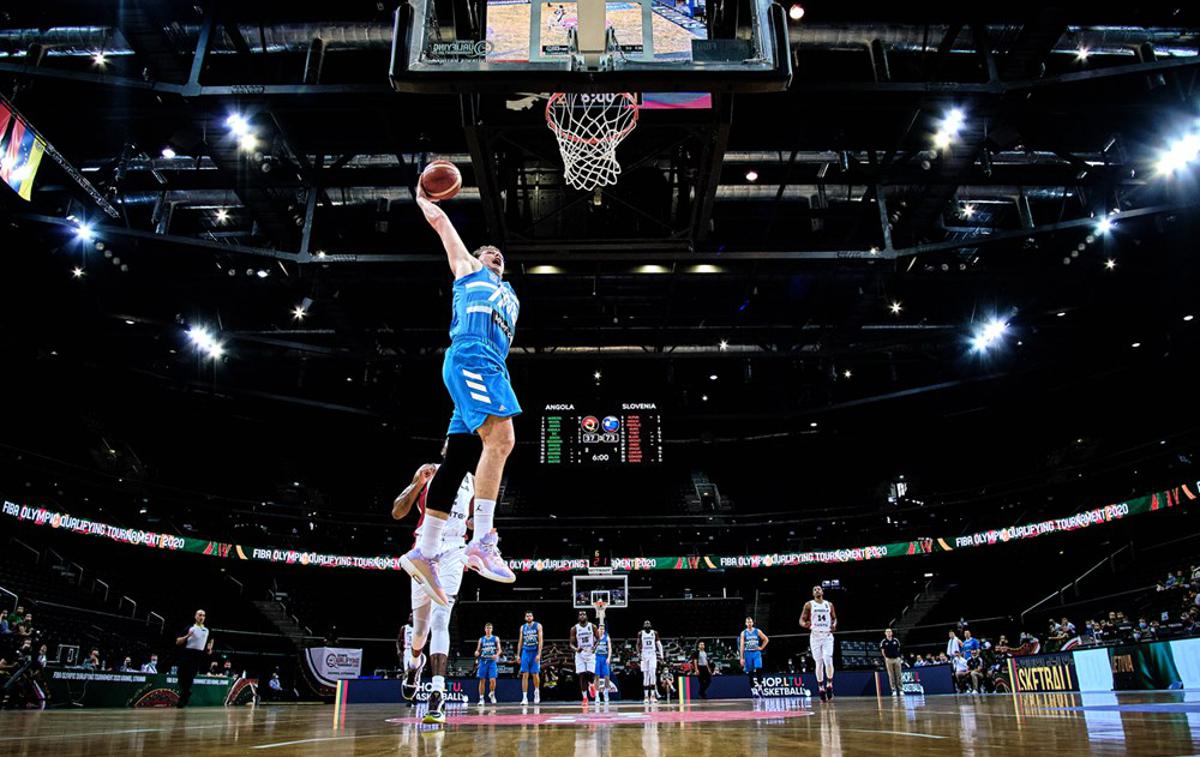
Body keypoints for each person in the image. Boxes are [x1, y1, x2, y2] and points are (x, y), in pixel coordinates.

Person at [401, 183, 520, 607]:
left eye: (499, 256)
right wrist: (425, 201)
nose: (496, 257)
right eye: (490, 253)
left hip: (486, 368)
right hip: (474, 359)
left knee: (457, 461)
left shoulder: (511, 298)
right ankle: (482, 541)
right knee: (502, 439)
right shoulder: (470, 270)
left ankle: (425, 550)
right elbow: (442, 225)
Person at [391, 455, 476, 725]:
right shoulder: (429, 470)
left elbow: (473, 521)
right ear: (445, 447)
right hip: (425, 546)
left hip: (453, 549)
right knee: (420, 630)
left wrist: (478, 526)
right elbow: (398, 511)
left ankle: (437, 691)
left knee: (442, 619)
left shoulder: (473, 480)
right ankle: (414, 664)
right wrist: (418, 484)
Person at [800, 585, 838, 702]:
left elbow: (834, 618)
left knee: (828, 659)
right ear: (813, 593)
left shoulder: (829, 604)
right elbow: (802, 619)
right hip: (815, 636)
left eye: (819, 589)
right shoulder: (809, 604)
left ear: (822, 591)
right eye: (815, 589)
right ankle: (821, 687)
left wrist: (834, 625)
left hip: (827, 635)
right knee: (819, 663)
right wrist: (804, 624)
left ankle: (830, 685)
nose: (817, 590)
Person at [174, 609, 213, 708]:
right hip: (187, 653)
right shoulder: (190, 628)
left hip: (198, 655)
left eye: (203, 615)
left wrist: (209, 648)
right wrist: (187, 636)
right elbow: (177, 642)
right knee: (180, 675)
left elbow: (210, 640)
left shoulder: (207, 630)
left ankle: (183, 699)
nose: (202, 617)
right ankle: (186, 692)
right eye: (200, 615)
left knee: (190, 677)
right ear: (195, 616)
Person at [570, 611, 598, 705]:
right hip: (580, 654)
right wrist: (576, 649)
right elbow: (571, 644)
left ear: (587, 616)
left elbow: (598, 639)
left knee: (590, 673)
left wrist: (595, 647)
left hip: (590, 652)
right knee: (582, 675)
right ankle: (585, 698)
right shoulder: (574, 628)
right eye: (580, 614)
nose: (582, 616)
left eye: (584, 614)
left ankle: (591, 684)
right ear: (578, 617)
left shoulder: (592, 626)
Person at [519, 611, 543, 704]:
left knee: (535, 674)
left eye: (530, 616)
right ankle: (524, 697)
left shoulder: (538, 626)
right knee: (525, 674)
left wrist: (539, 654)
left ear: (532, 617)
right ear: (525, 618)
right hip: (525, 651)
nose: (529, 617)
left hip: (534, 651)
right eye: (527, 616)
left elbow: (540, 640)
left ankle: (536, 692)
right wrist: (518, 654)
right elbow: (520, 641)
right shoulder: (522, 627)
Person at [739, 617, 769, 694]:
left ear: (752, 623)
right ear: (746, 623)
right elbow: (742, 646)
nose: (749, 624)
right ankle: (753, 688)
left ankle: (760, 686)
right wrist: (741, 658)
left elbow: (766, 639)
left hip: (756, 652)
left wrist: (761, 647)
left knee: (759, 668)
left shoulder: (757, 631)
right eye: (748, 622)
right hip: (748, 653)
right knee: (750, 672)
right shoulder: (743, 633)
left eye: (750, 622)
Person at [475, 623, 501, 704]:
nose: (488, 629)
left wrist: (496, 655)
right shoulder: (481, 639)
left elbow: (499, 650)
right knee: (482, 680)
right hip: (483, 661)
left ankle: (492, 694)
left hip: (492, 662)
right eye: (487, 628)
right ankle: (481, 698)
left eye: (490, 628)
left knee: (493, 680)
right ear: (485, 629)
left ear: (492, 629)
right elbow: (478, 650)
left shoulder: (496, 638)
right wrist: (476, 652)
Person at [639, 620, 662, 704]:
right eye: (646, 624)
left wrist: (661, 655)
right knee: (645, 676)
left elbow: (659, 644)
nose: (647, 625)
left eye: (648, 624)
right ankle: (645, 696)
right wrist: (639, 654)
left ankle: (652, 695)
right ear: (643, 625)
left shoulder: (654, 633)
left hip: (652, 654)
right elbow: (638, 644)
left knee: (652, 674)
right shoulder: (640, 633)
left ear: (651, 625)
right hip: (644, 654)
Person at [880, 628, 903, 696]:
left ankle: (901, 689)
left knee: (898, 674)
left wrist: (898, 657)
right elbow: (883, 651)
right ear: (885, 633)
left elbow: (898, 649)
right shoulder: (883, 641)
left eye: (890, 631)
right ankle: (894, 690)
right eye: (887, 632)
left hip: (896, 659)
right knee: (891, 675)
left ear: (892, 633)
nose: (889, 633)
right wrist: (886, 658)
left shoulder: (896, 640)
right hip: (889, 660)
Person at [594, 623, 613, 703]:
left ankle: (606, 694)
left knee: (607, 677)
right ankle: (597, 695)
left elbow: (610, 648)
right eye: (600, 628)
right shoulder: (595, 638)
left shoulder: (607, 637)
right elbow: (591, 647)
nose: (601, 630)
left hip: (604, 658)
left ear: (604, 630)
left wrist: (608, 658)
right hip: (597, 658)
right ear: (598, 629)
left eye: (603, 629)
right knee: (597, 677)